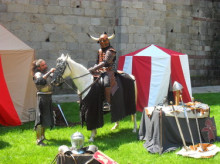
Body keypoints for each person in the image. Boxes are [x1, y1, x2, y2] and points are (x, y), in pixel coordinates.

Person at [87, 31, 118, 111]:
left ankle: (107, 102)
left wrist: (94, 69)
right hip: (99, 71)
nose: (102, 42)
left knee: (106, 81)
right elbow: (97, 62)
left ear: (108, 41)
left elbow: (105, 62)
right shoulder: (99, 51)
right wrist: (92, 68)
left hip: (109, 71)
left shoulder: (111, 51)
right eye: (100, 41)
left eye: (104, 40)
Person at [31, 59, 56, 146]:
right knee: (40, 118)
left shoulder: (47, 74)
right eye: (43, 65)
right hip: (42, 97)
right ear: (38, 67)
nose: (45, 66)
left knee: (46, 117)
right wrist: (49, 72)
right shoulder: (37, 74)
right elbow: (40, 81)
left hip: (48, 97)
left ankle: (42, 136)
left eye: (45, 64)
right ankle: (38, 140)